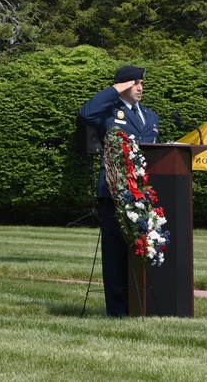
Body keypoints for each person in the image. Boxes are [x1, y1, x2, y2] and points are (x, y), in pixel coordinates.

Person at [78, 64, 160, 317]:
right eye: (135, 83)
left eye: (142, 83)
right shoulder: (108, 112)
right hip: (115, 191)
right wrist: (115, 89)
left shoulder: (150, 115)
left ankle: (144, 305)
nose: (140, 87)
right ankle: (118, 310)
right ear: (123, 85)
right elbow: (85, 114)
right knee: (114, 254)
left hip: (144, 193)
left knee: (144, 248)